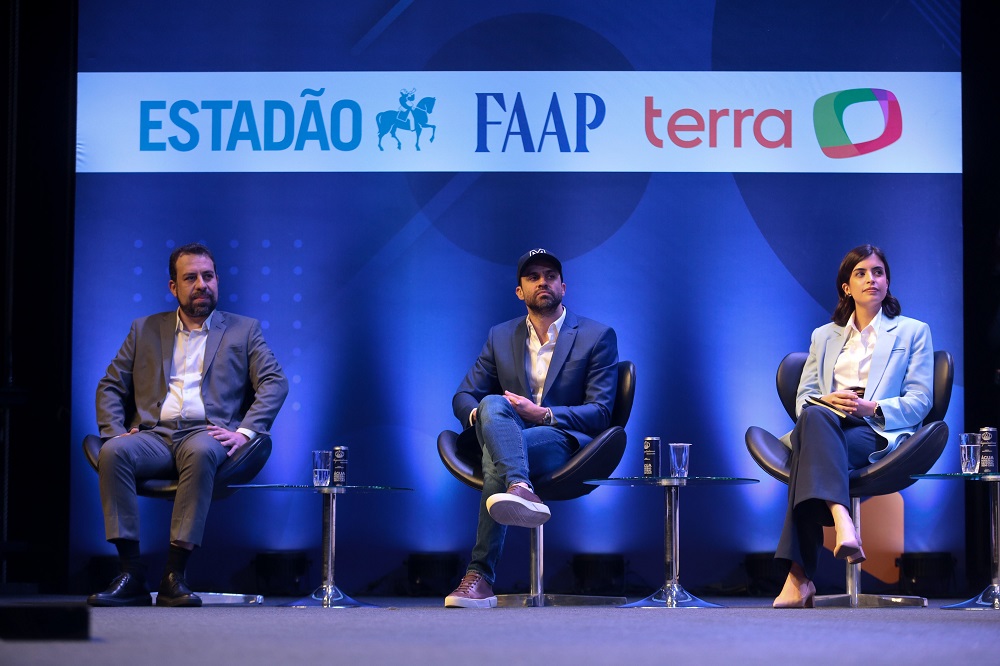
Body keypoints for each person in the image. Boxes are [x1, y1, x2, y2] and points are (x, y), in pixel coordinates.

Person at [87, 243, 288, 607]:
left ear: (217, 281)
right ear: (173, 287)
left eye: (208, 276)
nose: (201, 284)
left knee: (199, 452)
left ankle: (173, 574)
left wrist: (243, 432)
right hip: (153, 435)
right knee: (114, 451)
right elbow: (111, 385)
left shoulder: (244, 330)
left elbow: (274, 382)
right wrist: (115, 430)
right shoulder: (144, 328)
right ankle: (130, 572)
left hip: (205, 433)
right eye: (190, 277)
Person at [444, 248, 619, 608]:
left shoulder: (597, 336)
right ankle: (519, 486)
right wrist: (486, 420)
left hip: (561, 440)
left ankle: (479, 576)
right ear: (519, 292)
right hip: (508, 433)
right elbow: (464, 396)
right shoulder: (500, 336)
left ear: (563, 287)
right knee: (491, 404)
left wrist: (542, 414)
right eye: (533, 277)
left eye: (551, 276)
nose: (543, 281)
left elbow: (601, 412)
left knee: (500, 453)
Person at [773, 244, 934, 608]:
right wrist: (826, 401)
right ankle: (840, 515)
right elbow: (805, 400)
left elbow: (921, 400)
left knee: (806, 461)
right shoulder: (823, 336)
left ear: (887, 282)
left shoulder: (913, 332)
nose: (871, 279)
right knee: (814, 414)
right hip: (826, 423)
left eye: (877, 272)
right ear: (846, 287)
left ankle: (799, 577)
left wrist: (869, 406)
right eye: (860, 273)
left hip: (874, 429)